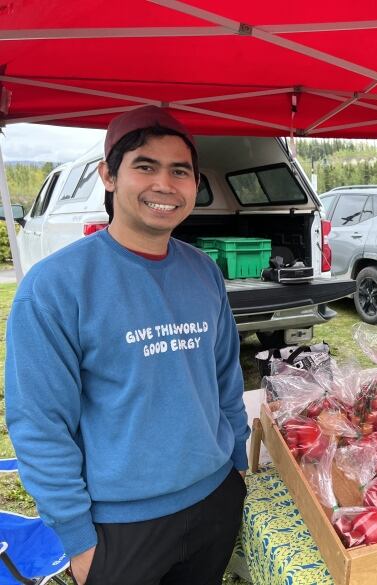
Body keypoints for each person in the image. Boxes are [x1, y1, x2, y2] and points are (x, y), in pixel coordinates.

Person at [5, 106, 249, 585]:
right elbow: (39, 425)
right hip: (117, 526)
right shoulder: (55, 287)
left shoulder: (203, 272)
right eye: (145, 166)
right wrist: (78, 539)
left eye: (179, 171)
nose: (164, 184)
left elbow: (225, 377)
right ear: (109, 175)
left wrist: (236, 463)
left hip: (214, 499)